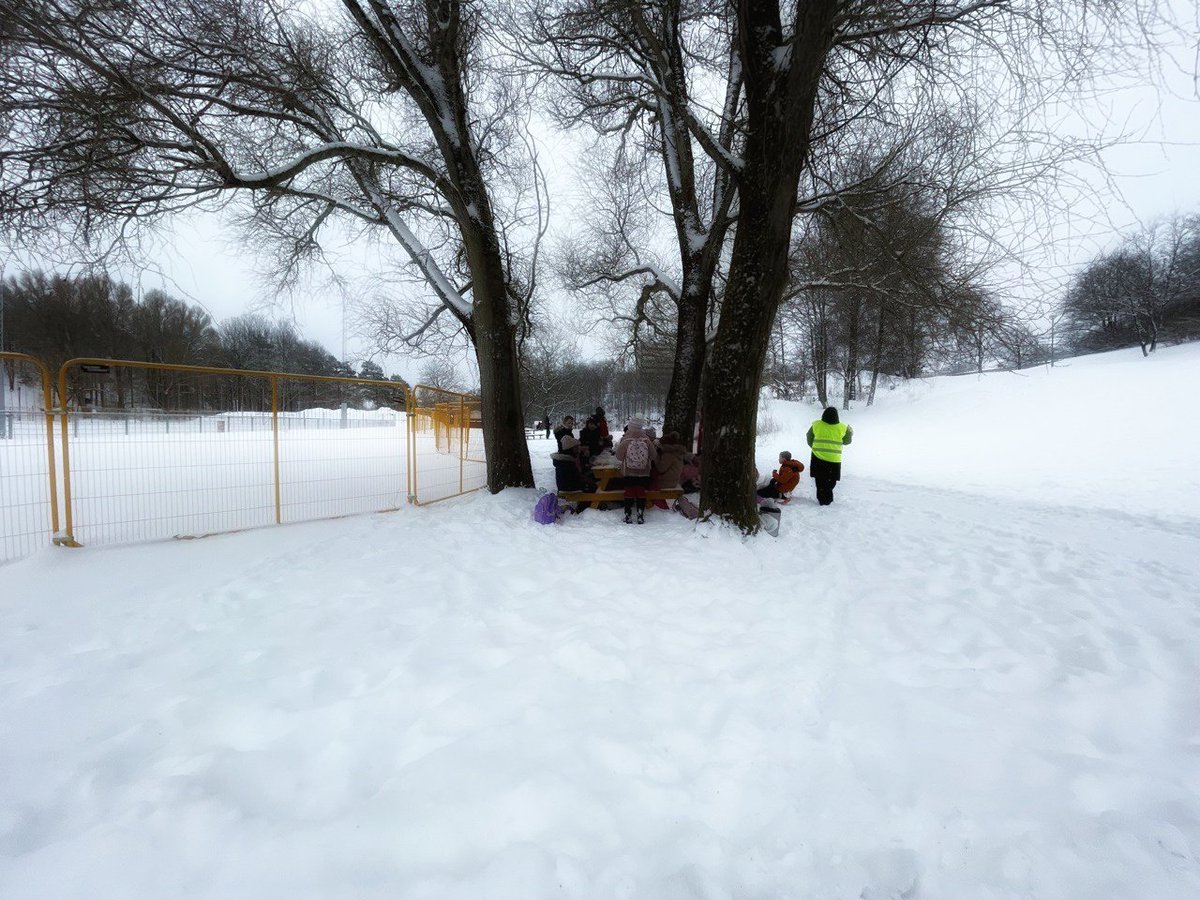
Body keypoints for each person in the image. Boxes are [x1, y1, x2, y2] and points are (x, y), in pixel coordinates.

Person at [807, 407, 853, 506]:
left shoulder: (816, 425)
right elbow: (847, 442)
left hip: (818, 458)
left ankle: (822, 499)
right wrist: (850, 433)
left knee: (820, 480)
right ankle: (827, 499)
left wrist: (815, 447)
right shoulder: (843, 427)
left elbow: (809, 437)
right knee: (831, 480)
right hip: (834, 459)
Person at [615, 417, 657, 524]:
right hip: (644, 472)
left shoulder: (626, 440)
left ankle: (628, 515)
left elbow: (619, 456)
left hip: (629, 472)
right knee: (641, 492)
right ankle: (640, 515)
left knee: (629, 492)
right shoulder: (646, 439)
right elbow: (653, 455)